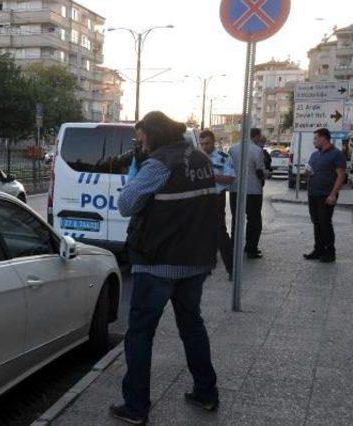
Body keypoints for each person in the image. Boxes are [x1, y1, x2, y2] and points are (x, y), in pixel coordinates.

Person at [110, 112, 219, 425]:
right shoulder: (200, 158)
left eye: (142, 139)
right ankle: (206, 392)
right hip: (195, 260)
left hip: (159, 263)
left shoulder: (158, 164)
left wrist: (134, 177)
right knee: (192, 326)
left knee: (140, 334)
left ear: (153, 134)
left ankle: (136, 406)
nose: (140, 145)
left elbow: (126, 204)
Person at [303, 128, 347, 263]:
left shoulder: (337, 154)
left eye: (316, 138)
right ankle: (318, 249)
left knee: (325, 223)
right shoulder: (315, 155)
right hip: (313, 193)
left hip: (326, 195)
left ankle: (330, 252)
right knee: (316, 223)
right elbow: (309, 171)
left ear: (323, 138)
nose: (314, 141)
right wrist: (307, 173)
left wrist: (333, 194)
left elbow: (341, 176)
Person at [200, 130, 235, 280]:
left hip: (216, 197)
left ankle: (231, 269)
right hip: (200, 198)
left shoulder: (223, 158)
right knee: (202, 233)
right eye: (201, 144)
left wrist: (212, 176)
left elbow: (230, 178)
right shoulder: (196, 158)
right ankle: (204, 268)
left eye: (207, 143)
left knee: (220, 233)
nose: (204, 147)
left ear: (213, 142)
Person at [229, 128, 266, 259]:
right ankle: (251, 249)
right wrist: (264, 177)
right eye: (259, 137)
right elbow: (259, 171)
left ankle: (234, 247)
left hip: (235, 189)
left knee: (236, 219)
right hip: (253, 191)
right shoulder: (257, 150)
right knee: (254, 220)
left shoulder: (232, 149)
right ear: (255, 136)